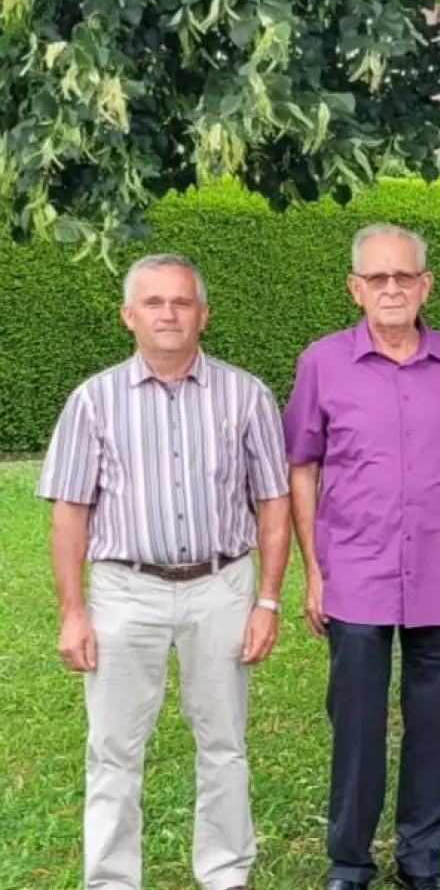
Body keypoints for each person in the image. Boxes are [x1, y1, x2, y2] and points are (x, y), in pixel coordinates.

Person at [37, 253, 291, 890]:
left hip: (221, 586)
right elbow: (70, 512)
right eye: (154, 303)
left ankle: (226, 873)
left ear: (203, 315)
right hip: (125, 592)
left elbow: (274, 502)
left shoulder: (248, 395)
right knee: (114, 750)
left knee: (224, 745)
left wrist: (268, 599)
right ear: (129, 316)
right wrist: (73, 612)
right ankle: (111, 880)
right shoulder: (92, 401)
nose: (169, 314)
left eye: (181, 302)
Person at [283, 225, 440, 890]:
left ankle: (421, 855)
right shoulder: (321, 363)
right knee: (355, 721)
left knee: (436, 723)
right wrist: (314, 572)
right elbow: (303, 467)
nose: (391, 289)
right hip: (355, 574)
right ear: (355, 288)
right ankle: (349, 860)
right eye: (377, 279)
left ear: (425, 285)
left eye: (403, 277)